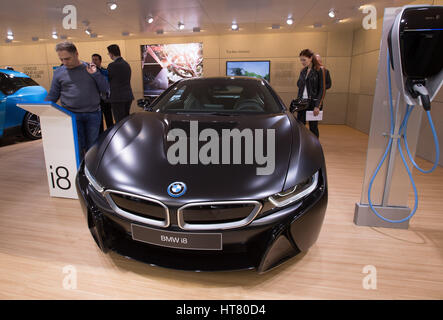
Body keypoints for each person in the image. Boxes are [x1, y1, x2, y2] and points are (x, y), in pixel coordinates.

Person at [45, 41, 109, 156]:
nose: (64, 62)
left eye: (67, 59)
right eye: (61, 59)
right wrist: (42, 108)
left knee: (92, 148)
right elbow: (53, 95)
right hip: (71, 115)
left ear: (76, 54)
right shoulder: (59, 73)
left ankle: (90, 172)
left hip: (93, 114)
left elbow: (105, 88)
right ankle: (79, 172)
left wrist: (95, 74)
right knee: (76, 147)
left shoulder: (91, 68)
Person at [295, 49, 325, 138]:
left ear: (311, 58)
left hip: (313, 103)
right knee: (300, 125)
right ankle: (303, 144)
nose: (302, 62)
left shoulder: (320, 70)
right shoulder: (303, 71)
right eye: (301, 60)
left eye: (304, 60)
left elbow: (322, 89)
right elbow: (299, 85)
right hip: (302, 102)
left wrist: (317, 106)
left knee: (313, 127)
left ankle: (315, 146)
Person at [107, 44, 134, 123]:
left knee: (119, 121)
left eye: (108, 53)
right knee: (126, 120)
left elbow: (107, 79)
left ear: (111, 54)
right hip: (128, 96)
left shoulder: (112, 65)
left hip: (117, 97)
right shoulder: (126, 64)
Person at [92, 53, 114, 131]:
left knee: (109, 118)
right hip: (96, 100)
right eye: (93, 60)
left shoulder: (105, 71)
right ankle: (101, 137)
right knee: (99, 120)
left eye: (96, 60)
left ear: (100, 61)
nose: (94, 61)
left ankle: (111, 134)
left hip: (106, 98)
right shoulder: (90, 73)